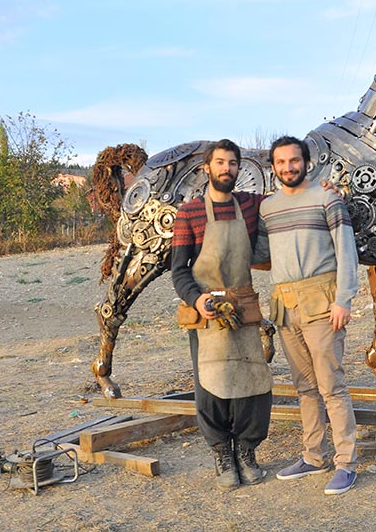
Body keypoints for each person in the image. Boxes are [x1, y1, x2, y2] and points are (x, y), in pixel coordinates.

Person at [259, 135, 361, 496]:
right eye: (281, 162)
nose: (288, 167)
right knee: (304, 387)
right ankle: (313, 456)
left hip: (323, 303)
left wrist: (345, 299)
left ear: (306, 162)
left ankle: (346, 462)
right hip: (285, 308)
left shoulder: (327, 198)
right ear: (273, 168)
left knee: (330, 385)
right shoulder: (267, 209)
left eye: (294, 161)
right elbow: (258, 252)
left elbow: (346, 251)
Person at [170, 139, 272, 491]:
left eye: (232, 163)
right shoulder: (190, 213)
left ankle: (245, 451)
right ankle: (222, 454)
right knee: (211, 387)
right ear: (207, 168)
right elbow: (179, 270)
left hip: (243, 306)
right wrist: (196, 300)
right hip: (207, 312)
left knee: (252, 385)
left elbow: (290, 195)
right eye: (220, 163)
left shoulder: (249, 205)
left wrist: (321, 187)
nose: (226, 169)